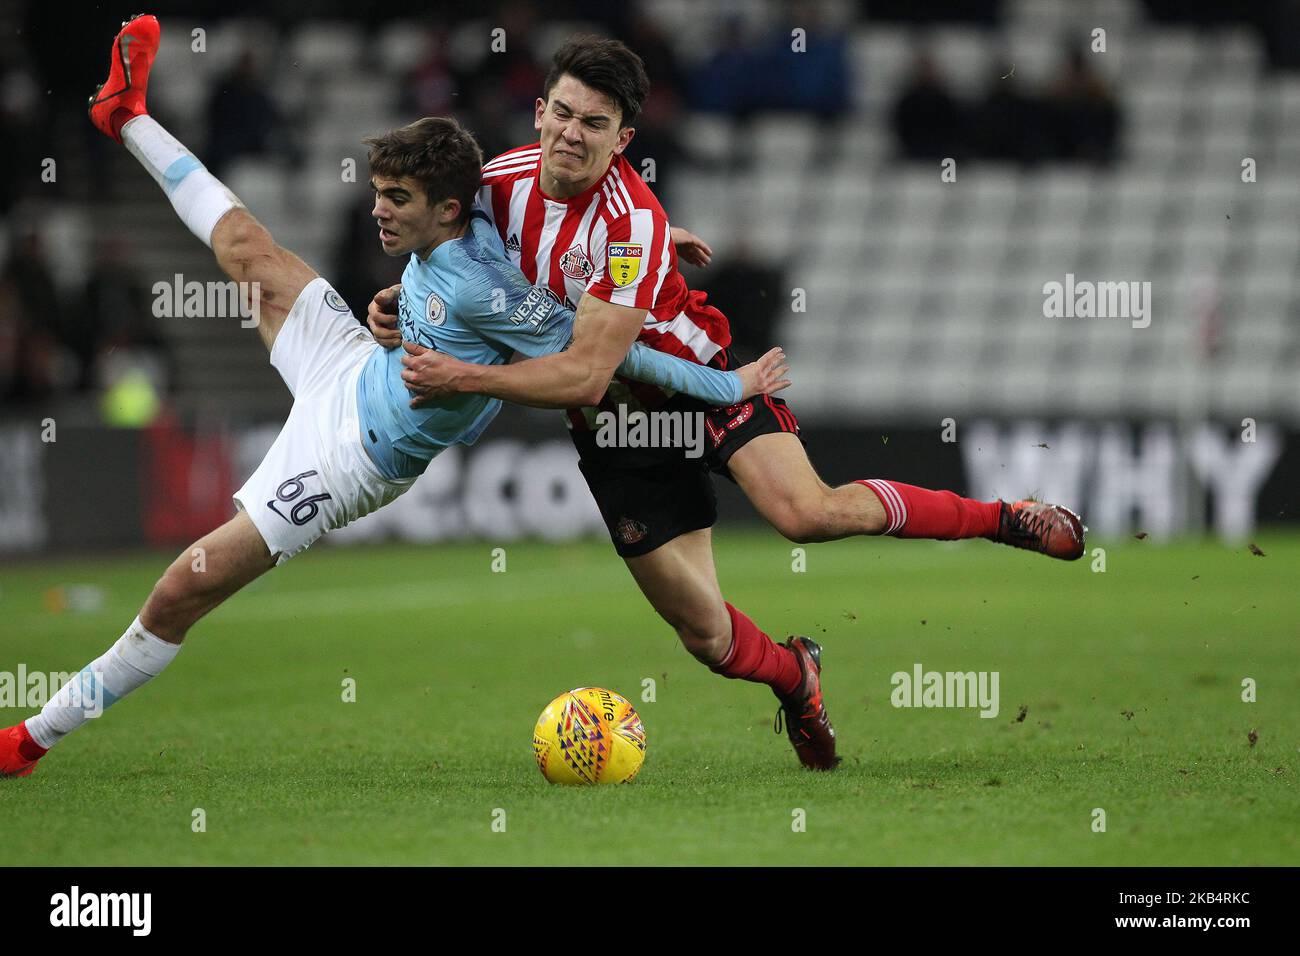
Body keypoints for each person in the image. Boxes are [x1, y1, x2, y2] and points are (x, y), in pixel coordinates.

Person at [0, 16, 787, 778]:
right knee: (247, 247)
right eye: (380, 191)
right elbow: (569, 209)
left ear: (442, 210)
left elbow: (617, 363)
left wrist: (728, 382)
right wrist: (660, 233)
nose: (377, 209)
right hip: (343, 365)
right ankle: (128, 116)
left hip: (350, 458)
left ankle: (32, 739)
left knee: (186, 583)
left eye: (395, 199)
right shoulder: (479, 208)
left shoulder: (499, 296)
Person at [377, 36, 1087, 771]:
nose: (570, 133)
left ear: (623, 139)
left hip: (697, 381)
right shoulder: (494, 184)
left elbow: (586, 372)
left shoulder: (632, 227)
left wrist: (459, 375)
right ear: (539, 110)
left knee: (806, 514)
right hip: (616, 430)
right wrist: (399, 304)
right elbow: (447, 259)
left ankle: (1006, 518)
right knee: (705, 636)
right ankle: (796, 678)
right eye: (562, 113)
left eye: (594, 124)